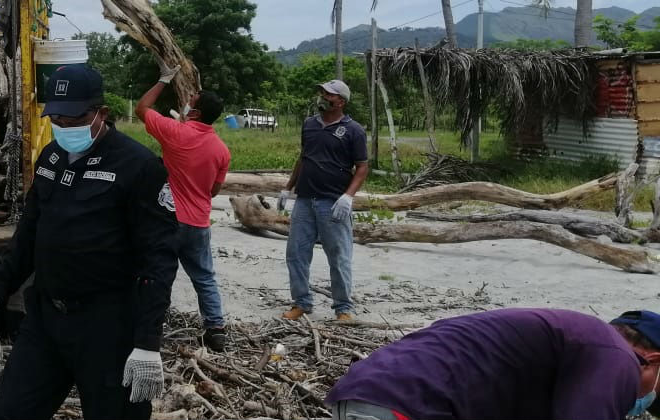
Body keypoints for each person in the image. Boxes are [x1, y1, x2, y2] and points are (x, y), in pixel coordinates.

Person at [0, 64, 179, 420]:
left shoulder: (139, 166)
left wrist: (147, 342)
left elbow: (158, 258)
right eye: (56, 117)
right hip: (45, 319)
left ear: (101, 113)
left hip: (107, 329)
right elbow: (29, 231)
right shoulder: (50, 158)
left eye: (74, 118)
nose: (64, 126)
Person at [326, 308, 660, 420]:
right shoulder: (616, 356)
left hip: (369, 393)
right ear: (653, 361)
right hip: (410, 404)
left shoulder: (571, 344)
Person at [134, 64, 231, 351]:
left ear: (197, 113)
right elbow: (214, 190)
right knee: (204, 276)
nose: (186, 104)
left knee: (157, 274)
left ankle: (149, 327)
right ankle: (216, 329)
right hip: (199, 223)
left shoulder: (174, 133)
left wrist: (163, 79)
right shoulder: (221, 149)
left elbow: (142, 108)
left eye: (190, 102)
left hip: (169, 220)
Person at [279, 79, 369, 321]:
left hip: (333, 202)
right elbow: (303, 157)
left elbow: (362, 167)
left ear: (341, 101)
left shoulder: (354, 130)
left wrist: (348, 196)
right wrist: (288, 188)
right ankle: (301, 303)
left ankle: (343, 308)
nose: (322, 97)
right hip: (305, 200)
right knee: (296, 253)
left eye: (328, 94)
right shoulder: (309, 125)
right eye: (321, 92)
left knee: (338, 255)